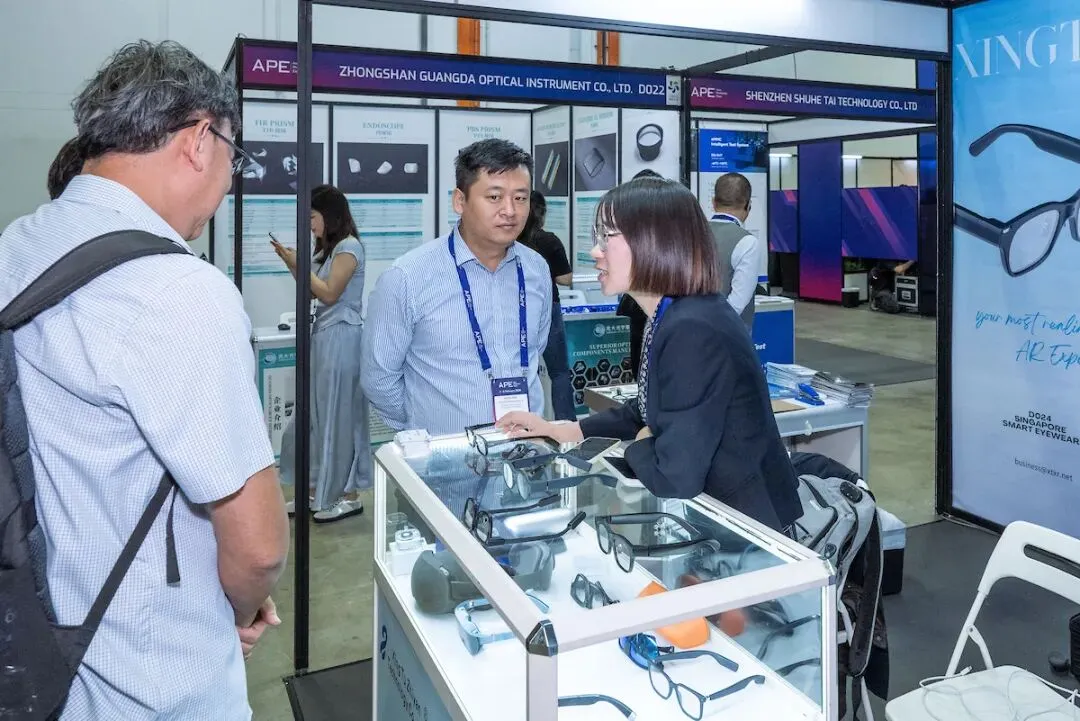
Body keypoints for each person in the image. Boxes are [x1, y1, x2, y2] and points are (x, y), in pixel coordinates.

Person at [0, 41, 290, 719]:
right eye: (235, 158)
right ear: (199, 140)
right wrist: (242, 609)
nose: (228, 185)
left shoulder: (17, 246)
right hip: (153, 678)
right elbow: (257, 547)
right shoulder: (177, 291)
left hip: (39, 651)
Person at [497, 177, 801, 532]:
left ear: (652, 242)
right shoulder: (676, 313)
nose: (595, 251)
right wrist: (567, 429)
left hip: (746, 528)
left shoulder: (692, 328)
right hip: (723, 516)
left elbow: (675, 475)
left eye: (606, 237)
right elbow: (647, 408)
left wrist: (642, 442)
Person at [361, 138, 551, 435]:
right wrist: (423, 430)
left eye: (520, 198)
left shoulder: (536, 269)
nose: (510, 210)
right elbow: (379, 378)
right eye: (494, 197)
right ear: (460, 201)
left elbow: (536, 347)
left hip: (525, 448)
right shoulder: (407, 277)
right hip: (444, 455)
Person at [273, 184, 370, 523]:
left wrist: (299, 263)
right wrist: (292, 263)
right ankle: (315, 490)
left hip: (343, 338)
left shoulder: (349, 247)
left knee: (339, 418)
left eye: (313, 217)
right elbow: (312, 290)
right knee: (315, 418)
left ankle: (347, 495)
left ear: (329, 216)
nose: (310, 224)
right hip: (325, 336)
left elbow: (329, 293)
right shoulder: (329, 250)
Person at [518, 190, 576, 420]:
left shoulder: (512, 241)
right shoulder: (549, 240)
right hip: (548, 307)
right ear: (542, 214)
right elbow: (566, 279)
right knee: (559, 371)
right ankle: (566, 425)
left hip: (518, 308)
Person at [710, 172, 762, 331]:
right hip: (730, 335)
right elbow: (737, 304)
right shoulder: (747, 242)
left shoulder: (693, 233)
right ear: (748, 205)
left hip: (690, 330)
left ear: (713, 202)